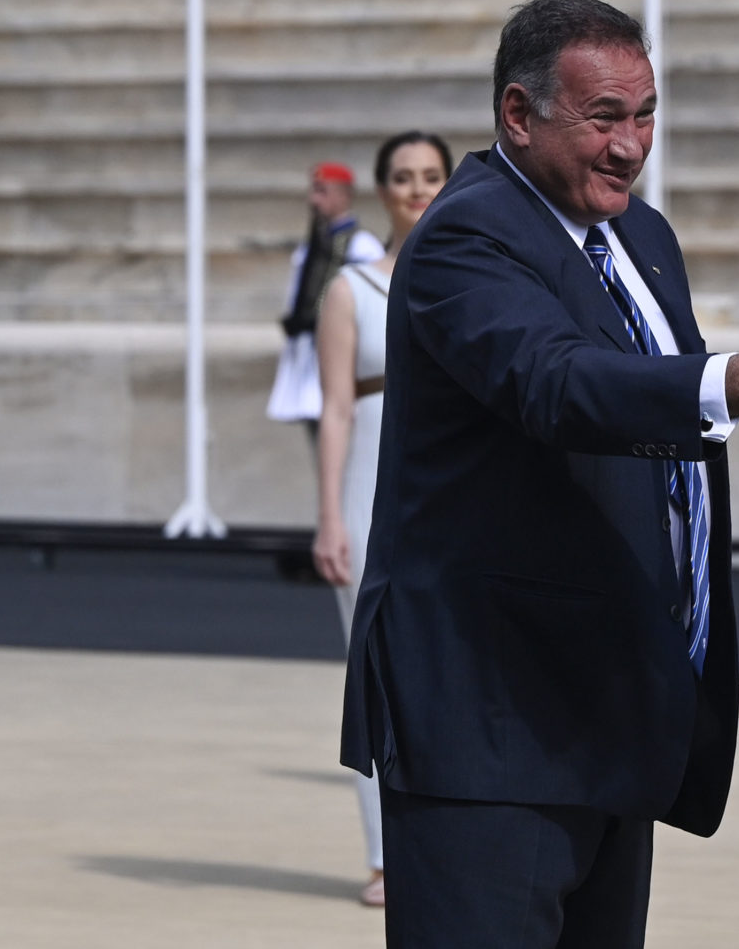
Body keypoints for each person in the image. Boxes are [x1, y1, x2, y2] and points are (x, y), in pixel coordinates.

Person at [341, 0, 739, 949]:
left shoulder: (643, 238)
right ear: (518, 114)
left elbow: (664, 410)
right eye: (603, 119)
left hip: (611, 706)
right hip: (494, 724)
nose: (632, 145)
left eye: (646, 114)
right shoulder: (468, 236)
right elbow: (559, 385)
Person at [314, 128, 452, 910]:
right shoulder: (351, 288)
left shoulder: (473, 279)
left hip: (453, 491)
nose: (417, 189)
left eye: (431, 174)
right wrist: (329, 513)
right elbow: (335, 408)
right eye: (402, 176)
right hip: (371, 486)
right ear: (382, 188)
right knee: (374, 672)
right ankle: (382, 854)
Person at [265, 162, 382, 433]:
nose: (313, 200)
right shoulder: (313, 245)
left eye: (322, 191)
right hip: (309, 356)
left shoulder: (362, 247)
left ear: (343, 195)